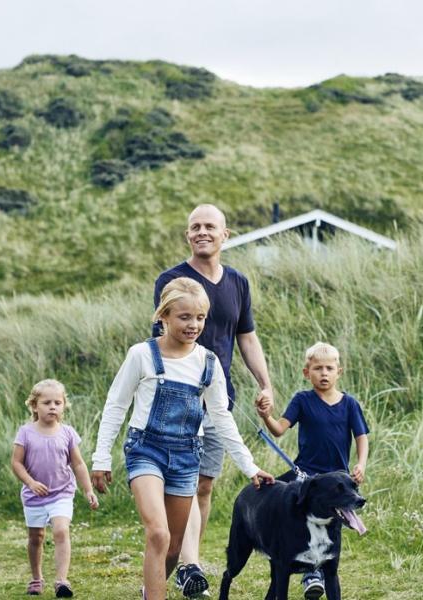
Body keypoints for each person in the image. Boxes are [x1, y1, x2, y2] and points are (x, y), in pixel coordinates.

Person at [90, 277, 275, 600]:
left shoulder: (208, 363)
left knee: (174, 547)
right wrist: (101, 457)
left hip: (187, 455)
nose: (194, 325)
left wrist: (250, 467)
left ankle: (152, 590)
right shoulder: (141, 355)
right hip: (146, 450)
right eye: (184, 317)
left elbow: (221, 417)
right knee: (158, 534)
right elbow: (115, 405)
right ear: (163, 316)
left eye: (200, 317)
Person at [151, 204, 275, 598]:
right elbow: (159, 336)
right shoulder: (171, 279)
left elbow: (247, 337)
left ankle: (191, 564)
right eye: (194, 227)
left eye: (210, 226)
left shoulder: (237, 282)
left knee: (204, 486)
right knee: (182, 487)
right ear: (188, 234)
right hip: (178, 402)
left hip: (219, 400)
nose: (201, 232)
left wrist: (265, 382)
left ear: (226, 235)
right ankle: (186, 564)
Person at [257, 342, 370, 600]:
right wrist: (265, 416)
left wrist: (361, 464)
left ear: (339, 371)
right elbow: (279, 429)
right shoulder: (302, 400)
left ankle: (316, 572)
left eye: (329, 368)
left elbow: (361, 436)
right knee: (293, 524)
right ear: (306, 372)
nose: (324, 373)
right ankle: (288, 575)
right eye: (317, 368)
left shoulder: (350, 404)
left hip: (339, 483)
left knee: (331, 530)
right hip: (307, 479)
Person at [11, 379, 99, 598]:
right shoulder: (25, 433)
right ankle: (36, 577)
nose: (52, 407)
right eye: (46, 402)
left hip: (62, 493)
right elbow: (16, 463)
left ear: (63, 406)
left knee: (61, 530)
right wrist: (30, 482)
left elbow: (78, 464)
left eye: (57, 402)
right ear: (34, 406)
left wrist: (88, 489)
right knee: (36, 537)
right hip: (33, 496)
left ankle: (61, 581)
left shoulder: (67, 433)